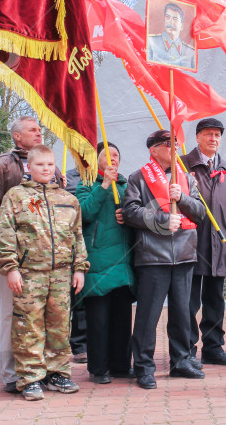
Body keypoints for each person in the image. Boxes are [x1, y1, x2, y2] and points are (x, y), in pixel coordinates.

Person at [0, 145, 89, 400]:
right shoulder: (15, 196)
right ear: (29, 167)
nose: (45, 169)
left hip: (61, 275)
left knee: (59, 326)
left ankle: (57, 372)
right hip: (29, 274)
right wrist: (10, 269)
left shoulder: (68, 199)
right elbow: (4, 235)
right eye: (40, 165)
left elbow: (77, 236)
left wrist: (79, 268)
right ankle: (30, 377)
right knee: (28, 326)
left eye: (49, 165)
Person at [0, 116, 64, 392]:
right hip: (15, 258)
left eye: (40, 129)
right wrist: (10, 244)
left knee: (44, 317)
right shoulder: (2, 164)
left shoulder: (51, 164)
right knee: (11, 315)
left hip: (47, 261)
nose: (39, 133)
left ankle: (40, 370)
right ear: (18, 136)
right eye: (32, 130)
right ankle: (10, 373)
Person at [123, 130, 207, 389]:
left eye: (176, 145)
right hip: (152, 256)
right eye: (168, 145)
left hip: (183, 254)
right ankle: (144, 367)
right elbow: (130, 211)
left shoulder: (185, 178)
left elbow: (201, 211)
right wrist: (160, 219)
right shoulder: (138, 178)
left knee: (183, 313)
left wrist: (181, 197)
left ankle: (181, 360)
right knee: (148, 316)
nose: (175, 149)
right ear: (154, 150)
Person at [182, 118, 226, 368]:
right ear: (197, 137)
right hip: (190, 244)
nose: (213, 139)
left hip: (220, 246)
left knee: (215, 299)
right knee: (187, 301)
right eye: (208, 134)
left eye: (217, 134)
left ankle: (213, 348)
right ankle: (185, 349)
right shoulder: (183, 166)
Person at [74, 142, 135, 384]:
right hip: (97, 259)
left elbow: (136, 213)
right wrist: (104, 186)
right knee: (98, 319)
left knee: (122, 317)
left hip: (122, 259)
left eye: (116, 155)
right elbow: (84, 213)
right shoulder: (86, 184)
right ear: (95, 159)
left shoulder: (127, 185)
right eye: (106, 155)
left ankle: (121, 364)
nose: (112, 159)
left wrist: (127, 215)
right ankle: (98, 368)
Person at [64, 163, 87, 365]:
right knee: (76, 297)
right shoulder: (67, 177)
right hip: (70, 241)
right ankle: (79, 345)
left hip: (93, 240)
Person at [146, 2, 196, 70]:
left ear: (182, 26)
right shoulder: (151, 42)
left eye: (175, 19)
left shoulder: (191, 53)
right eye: (167, 17)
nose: (170, 22)